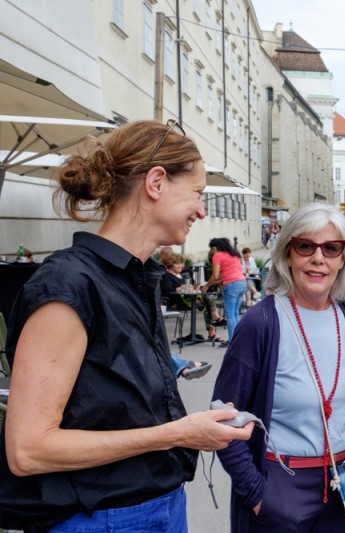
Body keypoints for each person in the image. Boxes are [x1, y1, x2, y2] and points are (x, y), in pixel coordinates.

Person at [0, 120, 253, 532]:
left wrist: (189, 429)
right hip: (99, 519)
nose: (201, 210)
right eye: (197, 193)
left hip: (160, 506)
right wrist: (177, 434)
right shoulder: (69, 283)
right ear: (156, 182)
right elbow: (29, 450)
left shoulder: (135, 277)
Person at [212, 203, 345, 532]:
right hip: (282, 488)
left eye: (331, 248)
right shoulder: (261, 322)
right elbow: (223, 415)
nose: (318, 258)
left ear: (343, 258)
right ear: (288, 254)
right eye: (305, 246)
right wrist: (258, 494)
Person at [203, 237, 246, 345]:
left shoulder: (217, 255)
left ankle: (232, 341)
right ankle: (238, 339)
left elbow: (215, 276)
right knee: (235, 313)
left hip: (231, 284)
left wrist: (207, 285)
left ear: (215, 247)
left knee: (230, 314)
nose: (212, 251)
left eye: (212, 249)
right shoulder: (234, 254)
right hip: (242, 282)